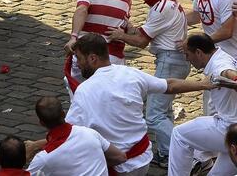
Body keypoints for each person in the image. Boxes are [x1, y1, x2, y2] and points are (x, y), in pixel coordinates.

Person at [66, 33, 215, 175]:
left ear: (93, 58)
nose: (77, 64)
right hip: (143, 159)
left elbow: (69, 134)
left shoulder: (84, 91)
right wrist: (203, 84)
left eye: (79, 58)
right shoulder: (130, 73)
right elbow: (169, 85)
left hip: (117, 167)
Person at [103, 0, 188, 166]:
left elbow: (141, 42)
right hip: (174, 60)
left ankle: (182, 152)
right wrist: (131, 28)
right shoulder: (166, 3)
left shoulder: (161, 7)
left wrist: (120, 35)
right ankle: (167, 153)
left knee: (154, 115)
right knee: (164, 111)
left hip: (170, 61)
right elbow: (147, 33)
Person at [63, 0, 131, 95]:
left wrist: (74, 36)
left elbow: (82, 9)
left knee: (81, 98)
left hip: (87, 57)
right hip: (113, 59)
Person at [169, 34, 237, 174]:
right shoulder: (221, 54)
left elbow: (227, 72)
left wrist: (233, 78)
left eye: (187, 54)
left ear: (199, 52)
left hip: (228, 128)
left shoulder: (219, 65)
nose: (187, 59)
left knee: (179, 135)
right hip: (231, 131)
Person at [26, 96, 127, 174]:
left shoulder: (43, 159)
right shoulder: (89, 133)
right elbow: (120, 157)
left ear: (41, 123)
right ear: (64, 113)